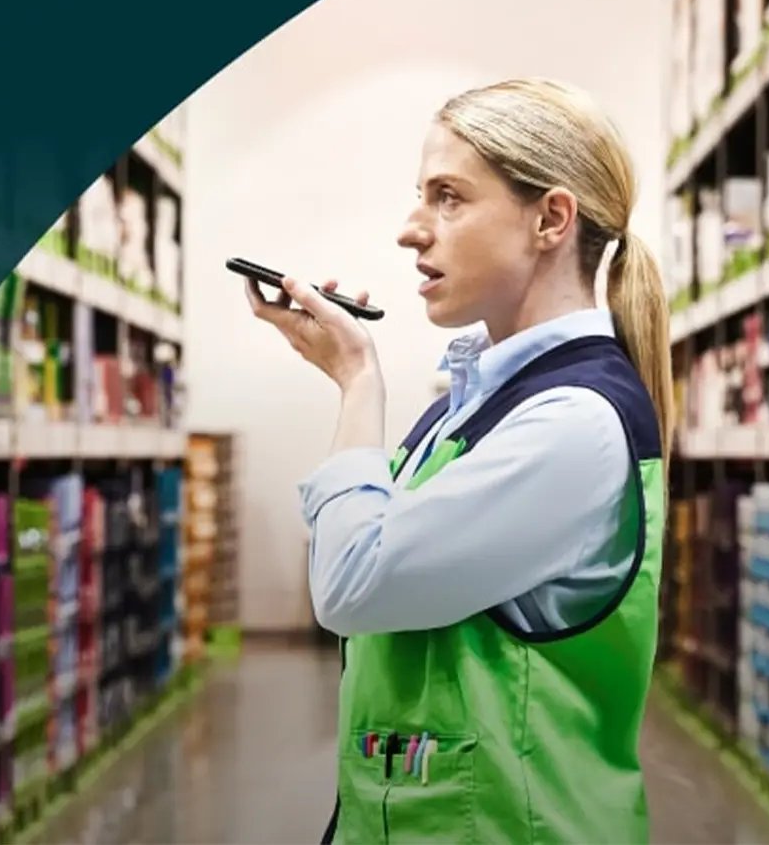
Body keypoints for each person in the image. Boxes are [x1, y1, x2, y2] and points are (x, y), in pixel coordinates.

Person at [246, 77, 672, 844]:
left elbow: (352, 583)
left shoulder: (572, 424)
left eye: (448, 197)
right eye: (422, 196)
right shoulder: (473, 398)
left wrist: (356, 382)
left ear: (550, 218)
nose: (413, 230)